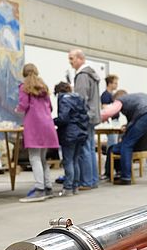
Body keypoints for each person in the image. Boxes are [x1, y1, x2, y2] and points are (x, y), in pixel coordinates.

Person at [100, 91, 147, 185]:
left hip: (145, 115)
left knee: (126, 145)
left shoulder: (120, 100)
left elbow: (109, 112)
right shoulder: (142, 95)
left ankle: (126, 178)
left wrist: (98, 118)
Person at [16, 64, 59, 202]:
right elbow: (51, 107)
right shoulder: (44, 87)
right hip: (47, 125)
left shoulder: (24, 87)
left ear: (24, 73)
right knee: (42, 158)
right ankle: (48, 187)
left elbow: (24, 105)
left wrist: (16, 110)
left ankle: (39, 189)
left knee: (34, 158)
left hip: (34, 125)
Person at [68, 49, 100, 190]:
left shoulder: (82, 75)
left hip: (85, 117)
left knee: (84, 150)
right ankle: (92, 180)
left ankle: (86, 182)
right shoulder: (92, 74)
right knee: (91, 149)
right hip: (93, 116)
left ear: (80, 59)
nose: (70, 61)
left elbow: (80, 99)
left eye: (72, 58)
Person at [53, 82, 89, 196]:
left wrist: (52, 121)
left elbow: (63, 118)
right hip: (81, 132)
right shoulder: (79, 98)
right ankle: (75, 187)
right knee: (75, 160)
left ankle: (68, 187)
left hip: (69, 133)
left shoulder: (64, 99)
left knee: (68, 161)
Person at [100, 74, 120, 148]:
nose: (117, 85)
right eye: (115, 83)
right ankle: (109, 157)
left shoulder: (113, 95)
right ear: (109, 84)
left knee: (115, 142)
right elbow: (105, 109)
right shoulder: (105, 95)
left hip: (115, 121)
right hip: (111, 122)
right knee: (112, 142)